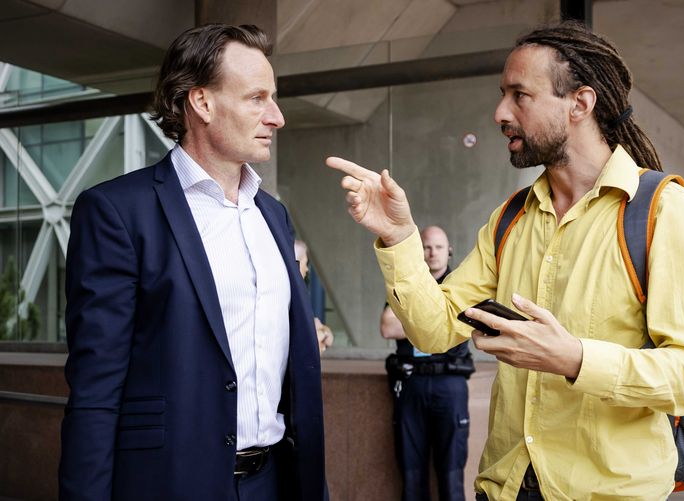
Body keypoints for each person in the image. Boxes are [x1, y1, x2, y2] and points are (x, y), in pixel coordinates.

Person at [328, 21, 684, 501]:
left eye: (520, 95)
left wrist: (575, 359)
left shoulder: (665, 211)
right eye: (503, 95)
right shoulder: (509, 218)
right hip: (504, 488)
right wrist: (398, 236)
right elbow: (434, 331)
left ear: (580, 103)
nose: (500, 112)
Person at [60, 24, 327, 501]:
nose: (277, 117)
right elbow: (96, 390)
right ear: (201, 102)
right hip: (171, 484)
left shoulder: (274, 215)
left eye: (274, 98)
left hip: (276, 482)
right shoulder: (117, 212)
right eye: (257, 98)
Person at [381, 225, 474, 501]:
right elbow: (387, 327)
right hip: (412, 384)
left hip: (449, 384)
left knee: (451, 475)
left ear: (449, 251)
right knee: (411, 474)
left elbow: (466, 324)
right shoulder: (405, 284)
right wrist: (438, 320)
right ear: (419, 251)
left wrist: (414, 319)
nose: (433, 253)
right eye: (427, 247)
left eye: (439, 247)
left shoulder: (461, 285)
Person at [295, 239, 334, 353]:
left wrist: (322, 332)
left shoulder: (300, 297)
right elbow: (309, 341)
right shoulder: (289, 299)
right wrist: (321, 333)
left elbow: (329, 339)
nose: (307, 269)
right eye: (305, 263)